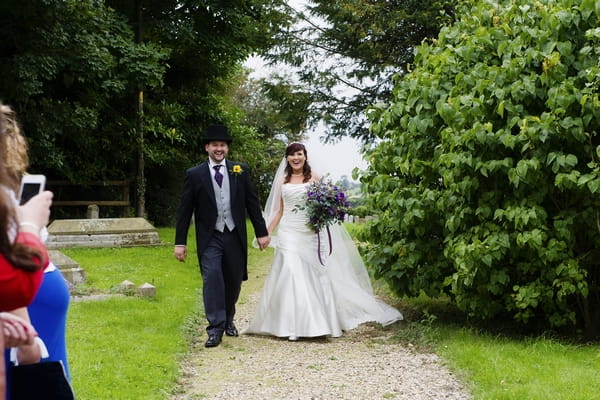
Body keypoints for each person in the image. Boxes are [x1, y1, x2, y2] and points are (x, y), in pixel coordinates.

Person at [243, 143, 402, 341]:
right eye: (292, 155)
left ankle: (315, 322)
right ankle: (289, 324)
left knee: (311, 275)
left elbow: (326, 204)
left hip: (309, 231)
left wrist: (323, 216)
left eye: (299, 154)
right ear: (287, 158)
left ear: (305, 156)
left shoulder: (315, 178)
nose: (296, 158)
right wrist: (265, 232)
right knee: (290, 271)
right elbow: (278, 211)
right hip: (288, 231)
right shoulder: (282, 180)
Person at [174, 124, 270, 348]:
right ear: (207, 147)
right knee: (213, 278)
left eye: (223, 145)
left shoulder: (240, 171)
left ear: (227, 149)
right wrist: (180, 242)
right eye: (215, 145)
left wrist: (261, 232)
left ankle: (228, 318)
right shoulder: (195, 174)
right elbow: (184, 211)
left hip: (234, 234)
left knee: (233, 280)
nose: (219, 149)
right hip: (210, 237)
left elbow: (252, 204)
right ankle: (215, 328)